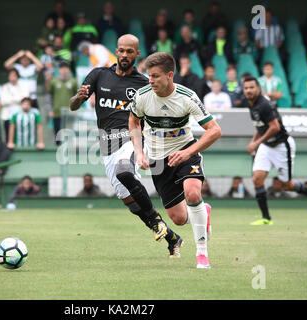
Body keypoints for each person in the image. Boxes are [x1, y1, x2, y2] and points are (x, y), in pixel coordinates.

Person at [69, 34, 182, 258]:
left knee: (124, 171)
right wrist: (78, 97)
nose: (124, 55)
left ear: (137, 54)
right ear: (116, 51)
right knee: (130, 202)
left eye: (129, 51)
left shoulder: (143, 83)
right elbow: (73, 106)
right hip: (106, 146)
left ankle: (157, 220)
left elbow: (166, 99)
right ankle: (171, 237)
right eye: (121, 50)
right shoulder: (99, 75)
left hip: (132, 138)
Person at [129, 51, 222, 268]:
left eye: (155, 76)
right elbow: (133, 122)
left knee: (192, 193)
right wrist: (139, 152)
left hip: (185, 151)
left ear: (170, 75)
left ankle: (202, 253)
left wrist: (188, 153)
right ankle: (202, 211)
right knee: (179, 219)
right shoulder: (142, 96)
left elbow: (214, 130)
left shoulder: (187, 96)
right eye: (148, 75)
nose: (150, 80)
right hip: (158, 160)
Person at [243, 76, 307, 225]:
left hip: (282, 146)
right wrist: (254, 141)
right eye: (246, 88)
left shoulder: (264, 104)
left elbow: (275, 127)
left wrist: (256, 143)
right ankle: (266, 218)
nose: (248, 90)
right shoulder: (250, 104)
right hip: (266, 146)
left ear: (258, 89)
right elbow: (260, 126)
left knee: (287, 185)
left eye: (251, 87)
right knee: (257, 179)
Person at [48, 61, 78, 145]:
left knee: (69, 134)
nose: (64, 70)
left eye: (65, 68)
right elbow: (49, 96)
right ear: (59, 69)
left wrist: (76, 108)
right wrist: (50, 110)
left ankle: (68, 154)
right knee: (57, 135)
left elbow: (77, 96)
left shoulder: (73, 81)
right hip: (57, 111)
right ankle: (56, 155)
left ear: (68, 69)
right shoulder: (54, 81)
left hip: (69, 112)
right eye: (62, 68)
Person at [0, 68, 29, 141]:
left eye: (14, 75)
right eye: (11, 76)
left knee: (20, 137)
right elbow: (2, 101)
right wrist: (17, 99)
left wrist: (10, 99)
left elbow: (25, 99)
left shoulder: (24, 86)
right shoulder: (4, 87)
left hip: (21, 115)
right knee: (8, 137)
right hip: (7, 116)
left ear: (17, 76)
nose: (12, 77)